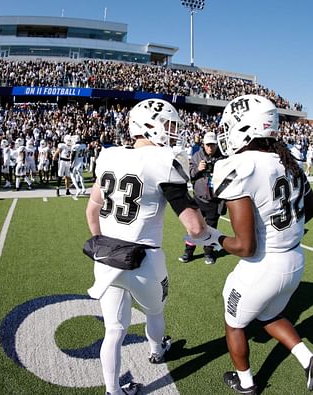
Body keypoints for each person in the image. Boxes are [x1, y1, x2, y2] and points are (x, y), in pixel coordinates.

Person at [189, 94, 313, 394]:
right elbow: (312, 209)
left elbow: (245, 247)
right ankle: (309, 360)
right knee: (269, 314)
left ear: (245, 126)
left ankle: (247, 383)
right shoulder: (286, 160)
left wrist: (211, 237)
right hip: (295, 260)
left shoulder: (241, 164)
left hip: (263, 265)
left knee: (234, 323)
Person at [85, 98, 217, 395]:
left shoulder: (109, 156)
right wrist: (217, 239)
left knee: (114, 330)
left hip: (106, 257)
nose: (173, 132)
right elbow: (195, 228)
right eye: (169, 125)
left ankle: (112, 391)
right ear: (150, 125)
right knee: (155, 312)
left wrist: (100, 244)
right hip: (145, 259)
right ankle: (157, 350)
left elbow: (91, 211)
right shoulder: (162, 161)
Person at [179, 131, 225, 265]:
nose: (211, 147)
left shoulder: (223, 158)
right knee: (193, 228)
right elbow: (189, 175)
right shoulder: (196, 156)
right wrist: (198, 169)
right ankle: (188, 252)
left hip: (214, 201)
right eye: (208, 145)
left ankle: (209, 253)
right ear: (203, 144)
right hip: (198, 198)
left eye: (213, 145)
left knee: (210, 229)